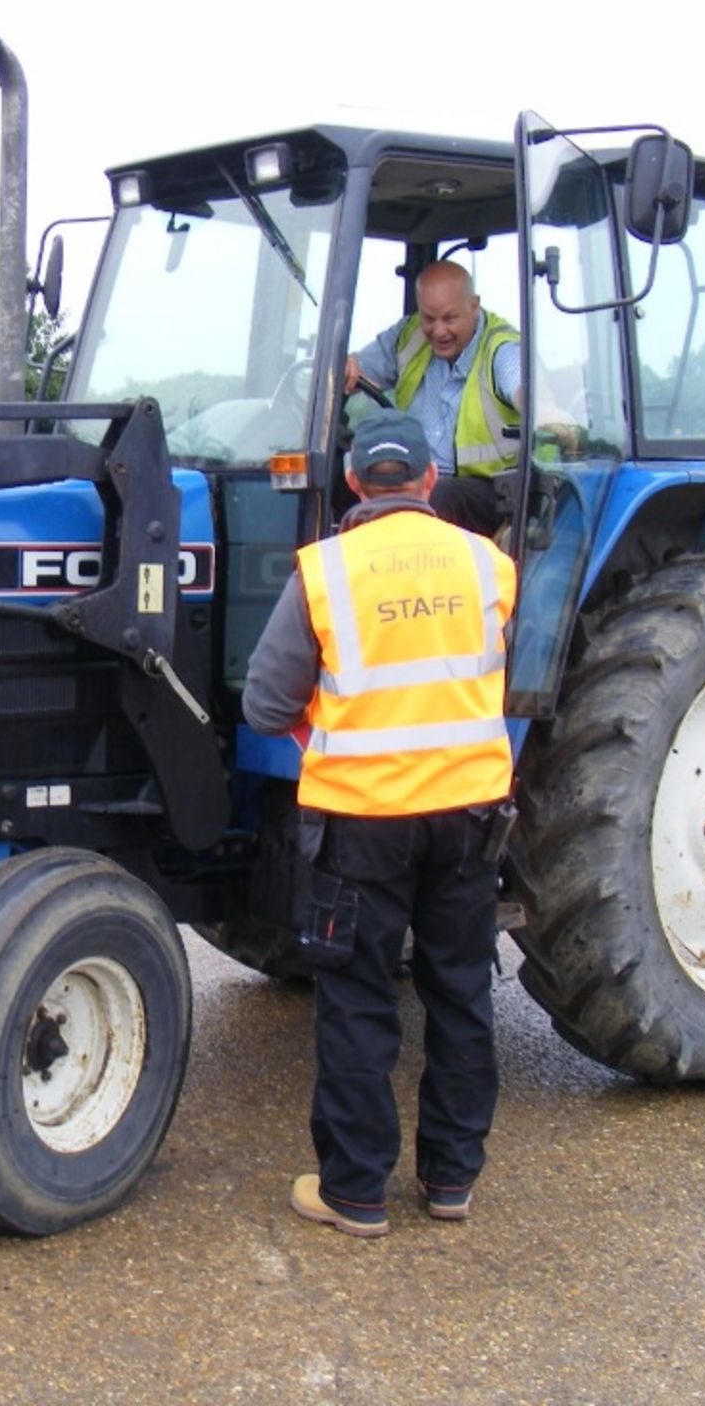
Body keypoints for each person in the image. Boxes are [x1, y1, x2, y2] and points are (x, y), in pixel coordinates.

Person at [242, 412, 517, 1239]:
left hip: (362, 824)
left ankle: (356, 1192)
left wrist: (330, 733)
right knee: (460, 992)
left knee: (360, 1001)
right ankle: (451, 1182)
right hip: (468, 817)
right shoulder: (489, 565)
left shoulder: (325, 571)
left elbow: (264, 703)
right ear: (431, 482)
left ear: (356, 483)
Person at [344, 260, 521, 536]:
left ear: (473, 306)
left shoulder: (500, 348)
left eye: (449, 319)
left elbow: (524, 388)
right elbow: (356, 371)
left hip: (492, 493)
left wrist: (545, 413)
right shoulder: (409, 337)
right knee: (350, 478)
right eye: (429, 318)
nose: (438, 331)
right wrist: (347, 367)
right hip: (419, 482)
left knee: (441, 495)